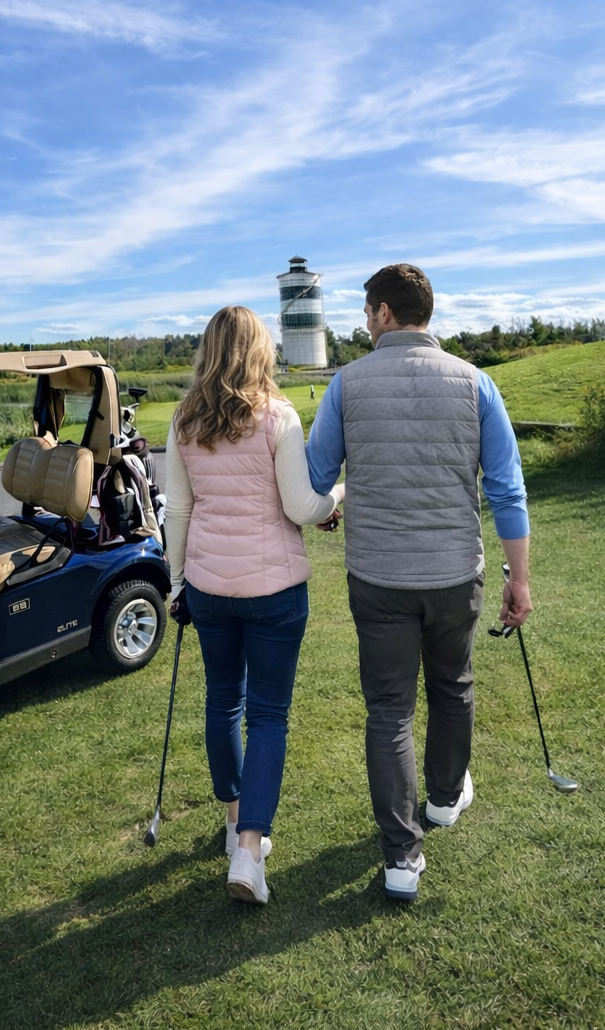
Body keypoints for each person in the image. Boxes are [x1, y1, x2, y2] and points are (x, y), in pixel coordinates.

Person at [306, 263, 531, 902]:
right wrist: (522, 580)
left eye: (367, 309)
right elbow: (508, 491)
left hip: (377, 576)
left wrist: (341, 497)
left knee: (389, 710)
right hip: (455, 573)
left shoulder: (346, 385)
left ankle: (402, 856)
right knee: (453, 686)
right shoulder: (475, 383)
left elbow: (316, 479)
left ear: (383, 313)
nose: (364, 319)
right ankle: (441, 800)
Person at [164, 305, 343, 905]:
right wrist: (336, 494)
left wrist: (176, 580)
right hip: (273, 593)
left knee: (223, 700)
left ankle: (233, 819)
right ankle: (248, 847)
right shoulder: (278, 416)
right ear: (261, 350)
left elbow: (179, 512)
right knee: (267, 714)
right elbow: (302, 507)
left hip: (210, 587)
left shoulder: (185, 420)